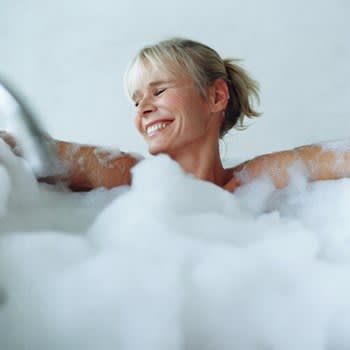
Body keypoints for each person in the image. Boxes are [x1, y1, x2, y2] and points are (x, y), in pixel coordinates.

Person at [1, 37, 350, 192]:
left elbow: (335, 158)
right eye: (135, 101)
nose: (144, 108)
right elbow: (36, 151)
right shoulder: (129, 175)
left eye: (159, 90)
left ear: (215, 96)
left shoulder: (251, 181)